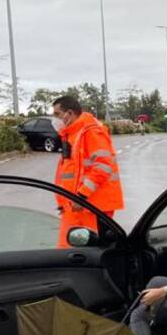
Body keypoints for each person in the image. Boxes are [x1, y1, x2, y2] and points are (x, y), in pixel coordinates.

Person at [52, 95, 124, 248]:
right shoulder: (72, 134)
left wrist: (81, 195)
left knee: (90, 255)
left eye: (57, 114)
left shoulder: (91, 132)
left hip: (93, 205)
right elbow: (67, 172)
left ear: (69, 113)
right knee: (69, 252)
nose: (55, 119)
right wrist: (63, 201)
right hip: (77, 204)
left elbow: (102, 166)